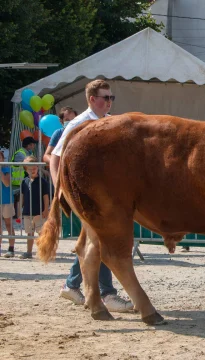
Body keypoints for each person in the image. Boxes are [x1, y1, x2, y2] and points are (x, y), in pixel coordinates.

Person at [51, 80, 133, 311]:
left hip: (102, 192)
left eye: (111, 98)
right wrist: (61, 190)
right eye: (105, 97)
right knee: (102, 238)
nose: (109, 102)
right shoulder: (79, 123)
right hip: (85, 192)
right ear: (92, 99)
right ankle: (107, 294)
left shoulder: (109, 122)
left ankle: (71, 285)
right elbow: (56, 156)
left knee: (93, 240)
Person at [16, 156, 50, 259]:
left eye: (34, 168)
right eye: (29, 169)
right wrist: (19, 210)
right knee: (29, 233)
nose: (32, 170)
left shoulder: (42, 182)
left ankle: (43, 252)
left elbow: (46, 197)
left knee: (41, 233)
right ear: (26, 170)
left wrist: (45, 209)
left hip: (39, 212)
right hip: (27, 212)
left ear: (37, 167)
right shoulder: (24, 182)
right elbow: (22, 197)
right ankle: (29, 252)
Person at [11, 137, 38, 218]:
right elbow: (28, 164)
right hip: (18, 181)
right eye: (33, 145)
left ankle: (22, 214)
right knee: (20, 198)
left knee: (23, 197)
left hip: (25, 179)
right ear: (28, 145)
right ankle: (19, 215)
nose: (34, 146)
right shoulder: (20, 154)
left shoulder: (29, 154)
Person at [0, 151, 16, 257]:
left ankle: (11, 247)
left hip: (7, 201)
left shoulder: (8, 169)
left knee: (9, 224)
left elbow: (6, 183)